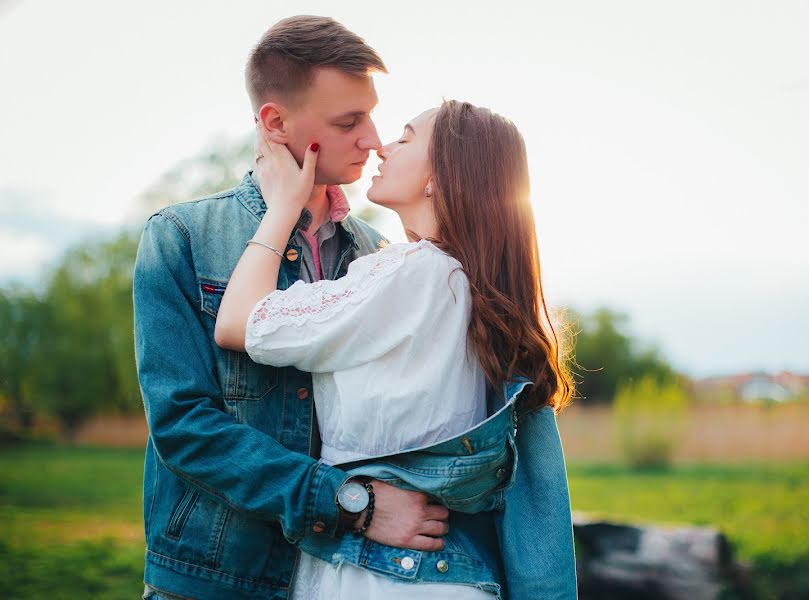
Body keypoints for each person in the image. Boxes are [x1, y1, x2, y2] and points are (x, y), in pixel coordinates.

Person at [133, 16, 457, 600]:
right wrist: (346, 503)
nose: (375, 140)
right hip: (212, 579)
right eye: (347, 122)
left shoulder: (379, 255)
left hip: (344, 576)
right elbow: (183, 427)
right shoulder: (180, 235)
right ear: (275, 123)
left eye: (372, 114)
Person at [214, 98, 577, 599]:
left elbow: (238, 323)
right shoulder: (473, 287)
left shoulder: (412, 273)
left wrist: (280, 207)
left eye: (405, 138)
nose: (382, 147)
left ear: (441, 178)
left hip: (385, 577)